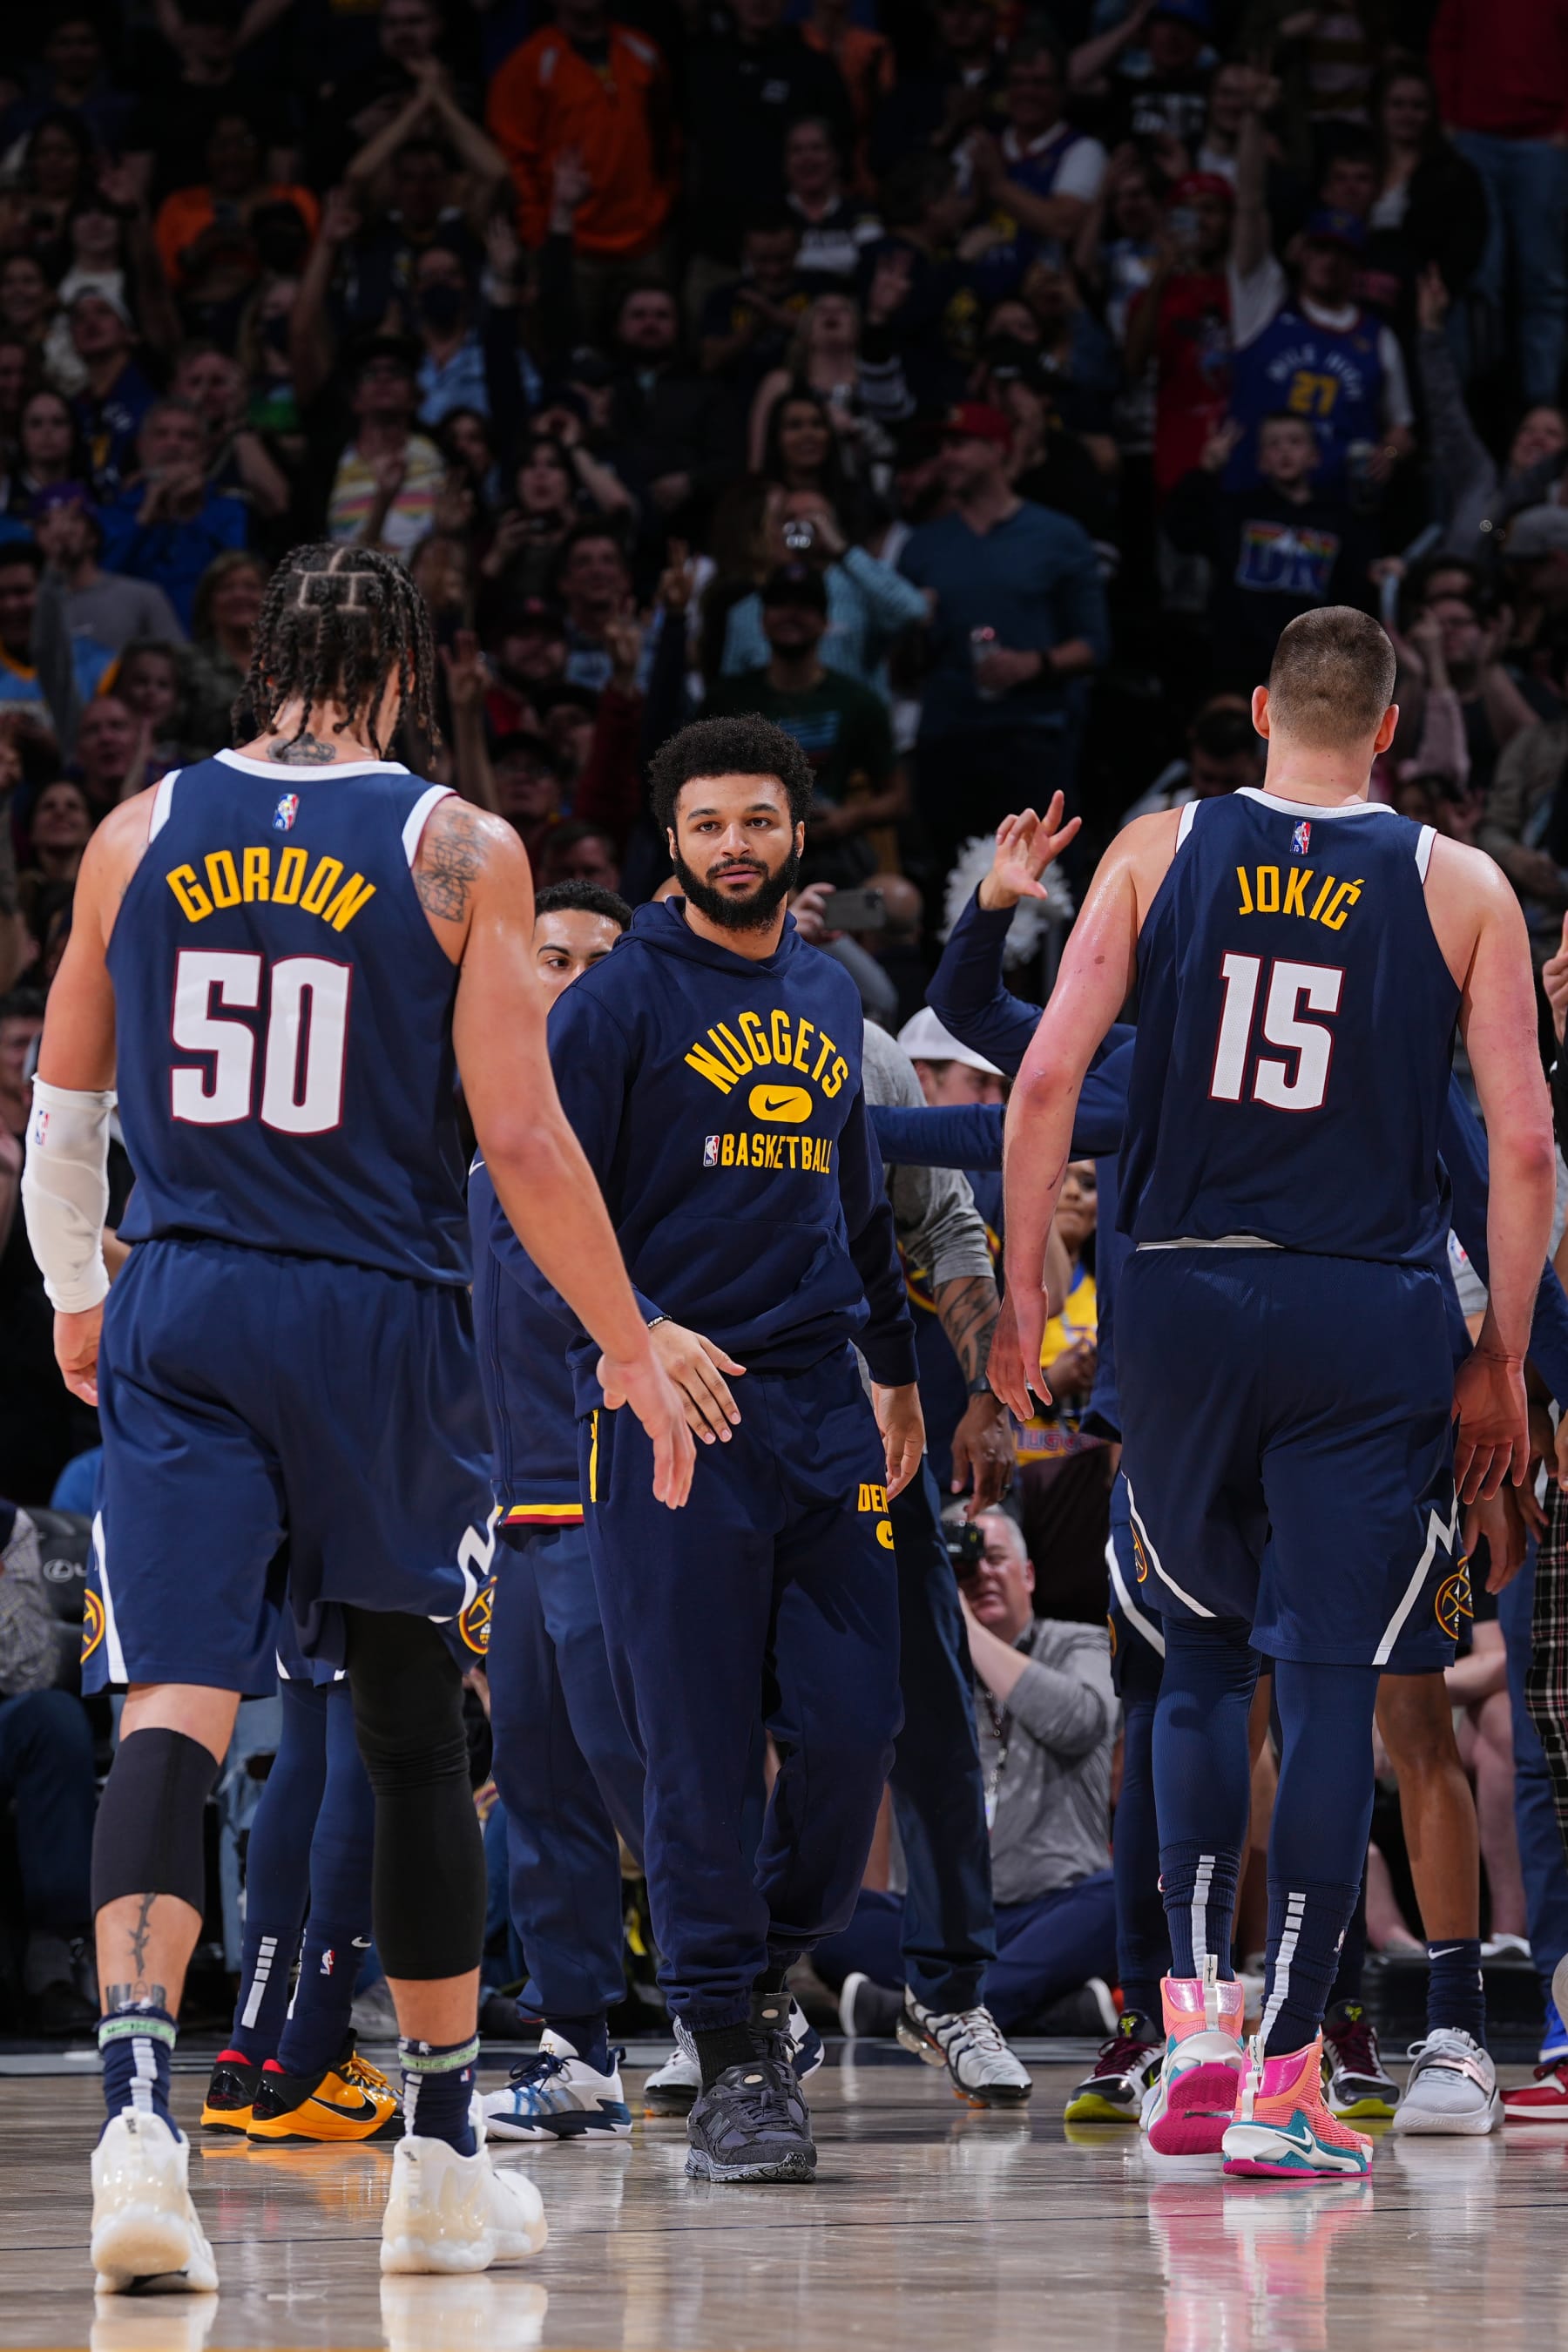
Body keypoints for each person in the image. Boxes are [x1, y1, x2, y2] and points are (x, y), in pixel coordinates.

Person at [22, 541, 692, 2288]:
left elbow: (62, 1101)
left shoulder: (134, 833)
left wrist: (77, 1295)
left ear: (265, 664)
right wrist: (625, 1342)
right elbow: (527, 1145)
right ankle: (444, 2154)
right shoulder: (457, 848)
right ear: (402, 673)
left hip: (183, 1288)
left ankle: (138, 2121)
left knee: (169, 1701)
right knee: (413, 1721)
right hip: (379, 1314)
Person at [992, 606, 1555, 2181]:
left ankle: (1192, 2032)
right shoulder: (1462, 883)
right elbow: (1519, 1145)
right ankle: (1289, 2078)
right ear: (1389, 729)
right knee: (1324, 1689)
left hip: (1173, 1294)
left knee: (1190, 1663)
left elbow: (1042, 1084)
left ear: (1258, 715)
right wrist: (1500, 1348)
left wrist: (1030, 1294)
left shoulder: (1159, 849)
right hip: (1358, 1309)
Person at [520, 712, 923, 2183]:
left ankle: (751, 1972)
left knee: (852, 1727)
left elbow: (858, 1199)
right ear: (670, 843)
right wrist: (627, 1346)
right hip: (671, 1404)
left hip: (820, 1398)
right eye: (708, 825)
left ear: (797, 836)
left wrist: (897, 1366)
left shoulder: (826, 993)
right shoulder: (612, 1003)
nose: (735, 845)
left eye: (759, 820)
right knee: (693, 1745)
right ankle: (731, 2042)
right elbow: (528, 1212)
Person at [828, 1506, 1118, 2038]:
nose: (980, 1573)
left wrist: (961, 1624)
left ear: (1029, 1575)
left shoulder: (1080, 1642)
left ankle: (914, 2013)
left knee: (1127, 1896)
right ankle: (1044, 2011)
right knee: (828, 1917)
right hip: (938, 1918)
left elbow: (1081, 1720)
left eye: (996, 1559)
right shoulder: (912, 1661)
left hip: (1052, 1912)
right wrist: (927, 1615)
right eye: (962, 1564)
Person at [898, 402, 1107, 879]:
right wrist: (911, 631)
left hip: (1029, 735)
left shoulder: (1056, 536)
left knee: (1045, 882)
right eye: (941, 448)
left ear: (996, 449)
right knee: (948, 882)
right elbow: (905, 667)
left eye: (958, 445)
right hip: (948, 737)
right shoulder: (923, 546)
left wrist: (1033, 664)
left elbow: (1095, 644)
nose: (945, 458)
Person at [705, 561, 906, 886]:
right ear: (762, 619)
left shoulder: (856, 700)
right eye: (780, 604)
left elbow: (898, 797)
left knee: (893, 902)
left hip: (835, 856)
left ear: (825, 622)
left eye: (804, 606)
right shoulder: (727, 700)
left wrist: (850, 818)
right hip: (750, 856)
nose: (791, 615)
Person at [487, 0, 677, 326]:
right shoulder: (530, 63)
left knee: (651, 346)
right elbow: (513, 159)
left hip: (644, 243)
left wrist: (661, 205)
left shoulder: (642, 51)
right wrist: (539, 236)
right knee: (565, 348)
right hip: (569, 247)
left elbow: (668, 138)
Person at [1162, 410, 1375, 688]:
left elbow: (1355, 584)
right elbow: (1181, 532)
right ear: (1261, 461)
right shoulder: (1238, 512)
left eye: (1295, 442)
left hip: (1313, 664)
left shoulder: (1339, 520)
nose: (1284, 451)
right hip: (1241, 661)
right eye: (1274, 444)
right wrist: (1206, 471)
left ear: (1315, 456)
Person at [1430, 0, 1568, 409]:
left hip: (1543, 141)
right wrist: (1450, 116)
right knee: (1477, 278)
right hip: (1476, 138)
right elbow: (1446, 40)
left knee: (1544, 283)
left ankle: (1541, 411)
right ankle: (1465, 409)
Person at [98, 401, 248, 634]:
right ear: (141, 446)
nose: (173, 443)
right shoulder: (111, 514)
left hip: (208, 644)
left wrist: (195, 515)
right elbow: (98, 588)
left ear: (206, 452)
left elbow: (242, 583)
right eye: (161, 434)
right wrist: (143, 521)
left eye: (187, 436)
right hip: (129, 646)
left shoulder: (229, 511)